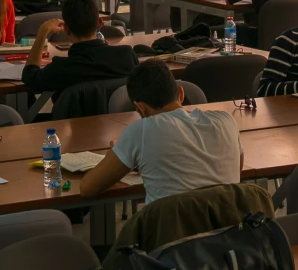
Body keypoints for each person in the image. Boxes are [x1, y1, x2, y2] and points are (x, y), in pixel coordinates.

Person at [78, 59, 243, 204]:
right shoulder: (226, 121)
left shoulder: (140, 132)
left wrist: (114, 153)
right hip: (229, 233)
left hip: (172, 236)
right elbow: (237, 170)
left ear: (140, 107)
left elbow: (87, 189)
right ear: (180, 93)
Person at [18, 0, 138, 105]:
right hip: (119, 124)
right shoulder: (127, 55)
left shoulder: (61, 68)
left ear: (66, 29)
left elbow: (29, 76)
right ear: (100, 23)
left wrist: (42, 34)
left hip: (72, 125)